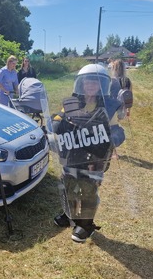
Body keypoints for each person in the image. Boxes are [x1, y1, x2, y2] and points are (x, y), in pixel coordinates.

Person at [51, 64, 125, 243]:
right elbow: (57, 121)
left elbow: (117, 130)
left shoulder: (109, 106)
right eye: (87, 83)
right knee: (69, 186)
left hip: (95, 158)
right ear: (80, 84)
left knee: (88, 190)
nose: (90, 86)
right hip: (72, 155)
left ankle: (86, 225)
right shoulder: (70, 103)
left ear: (102, 85)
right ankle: (70, 215)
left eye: (94, 83)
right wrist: (54, 124)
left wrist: (112, 137)